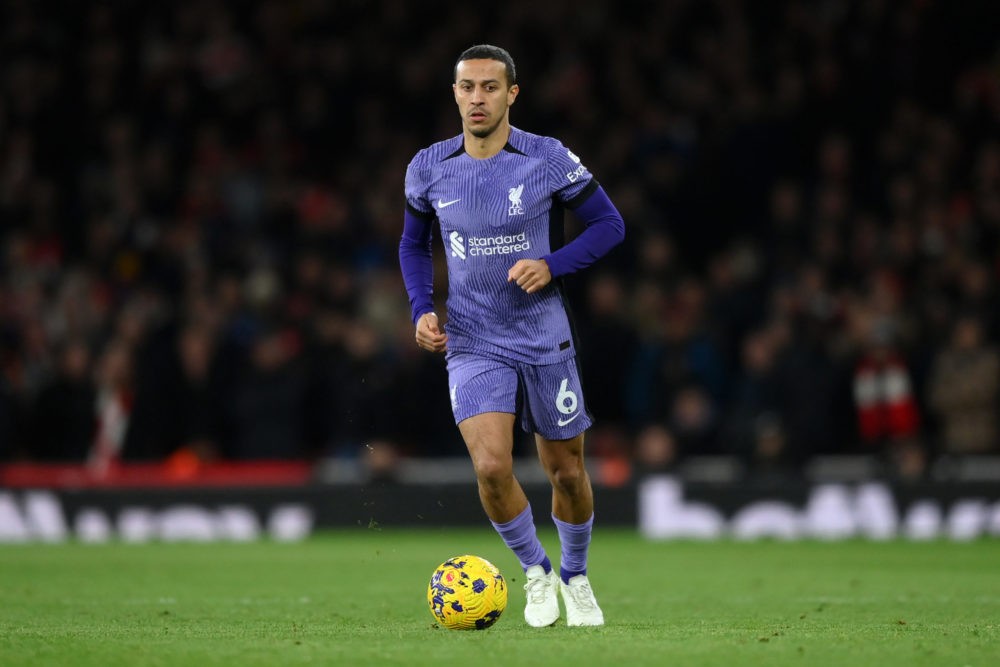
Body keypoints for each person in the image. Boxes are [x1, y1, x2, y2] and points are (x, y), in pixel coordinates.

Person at [399, 44, 624, 627]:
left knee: (567, 472)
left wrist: (553, 264)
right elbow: (412, 244)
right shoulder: (428, 166)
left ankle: (576, 575)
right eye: (467, 87)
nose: (477, 98)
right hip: (472, 338)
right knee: (493, 466)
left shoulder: (546, 158)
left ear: (511, 94)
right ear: (454, 94)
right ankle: (536, 572)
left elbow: (609, 224)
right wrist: (423, 307)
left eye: (490, 87)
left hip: (543, 333)